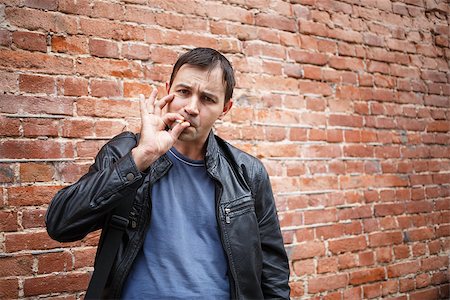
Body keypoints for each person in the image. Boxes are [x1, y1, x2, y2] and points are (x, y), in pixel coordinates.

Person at [46, 47, 290, 299]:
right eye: (183, 92)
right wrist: (141, 158)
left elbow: (273, 269)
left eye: (208, 98)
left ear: (225, 108)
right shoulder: (125, 153)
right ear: (168, 90)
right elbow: (60, 225)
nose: (192, 107)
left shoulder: (247, 173)